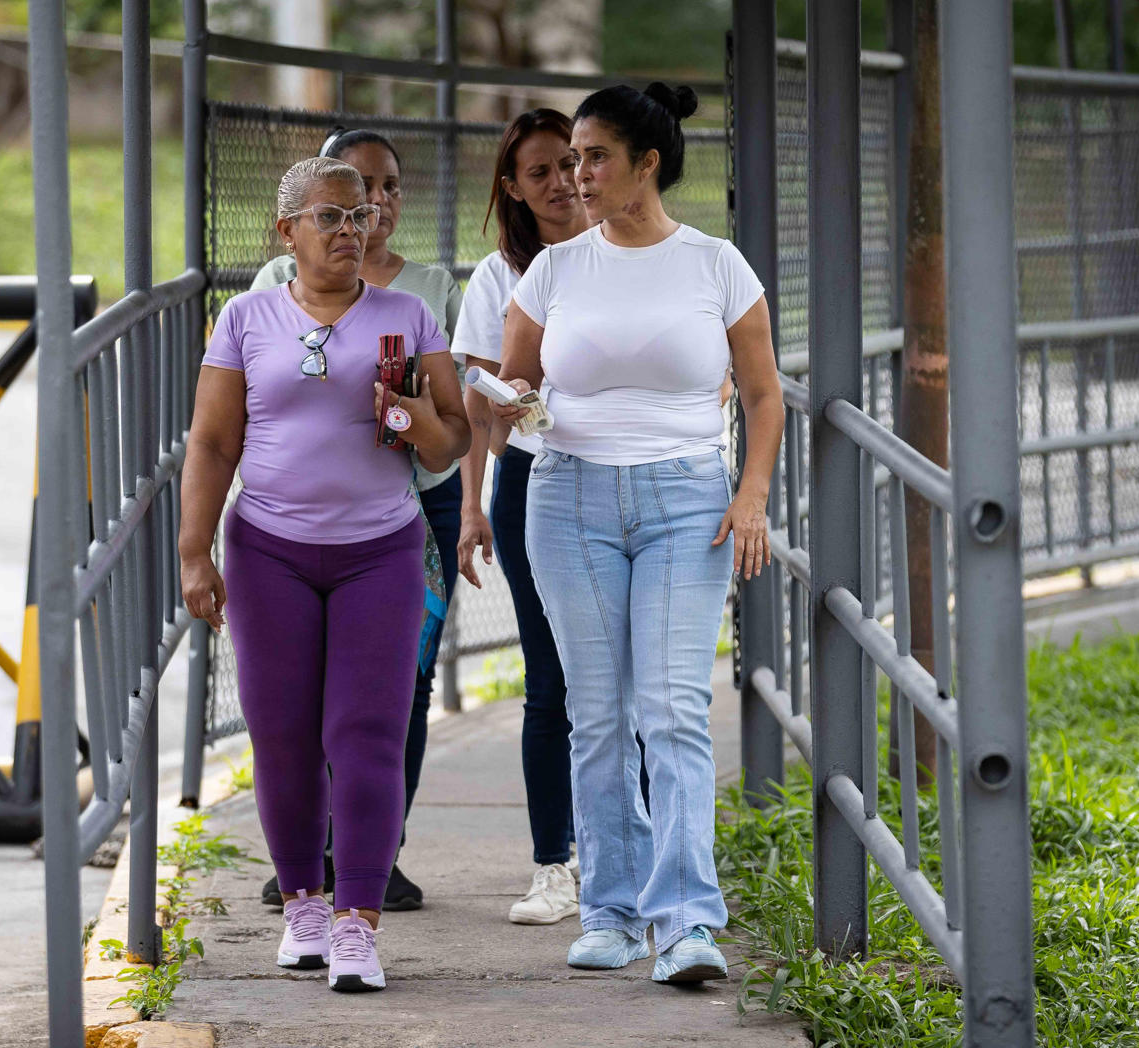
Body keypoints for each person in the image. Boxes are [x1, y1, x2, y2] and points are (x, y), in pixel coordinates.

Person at [494, 82, 783, 986]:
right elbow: (510, 386)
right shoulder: (554, 270)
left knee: (673, 711)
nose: (575, 175)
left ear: (646, 164)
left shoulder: (717, 265)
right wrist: (513, 406)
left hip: (687, 505)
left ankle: (689, 922)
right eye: (571, 159)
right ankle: (611, 913)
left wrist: (751, 498)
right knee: (598, 713)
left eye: (593, 157)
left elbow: (766, 394)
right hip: (568, 498)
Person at [179, 155, 470, 994]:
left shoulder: (408, 315)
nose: (352, 229)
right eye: (331, 217)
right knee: (282, 734)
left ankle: (357, 924)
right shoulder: (245, 318)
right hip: (268, 549)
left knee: (367, 733)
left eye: (362, 214)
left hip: (380, 549)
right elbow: (211, 442)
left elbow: (454, 439)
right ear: (288, 233)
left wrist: (420, 422)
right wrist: (195, 551)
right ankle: (303, 906)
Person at [248, 129, 462, 914]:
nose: (372, 207)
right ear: (302, 218)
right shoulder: (276, 283)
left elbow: (452, 415)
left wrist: (416, 426)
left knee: (400, 685)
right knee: (304, 688)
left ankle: (378, 849)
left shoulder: (429, 290)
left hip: (412, 500)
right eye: (352, 193)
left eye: (390, 189)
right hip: (297, 514)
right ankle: (309, 851)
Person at [452, 108, 587, 925]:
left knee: (626, 679)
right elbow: (479, 408)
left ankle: (627, 859)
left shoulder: (624, 254)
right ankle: (553, 864)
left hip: (615, 477)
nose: (563, 181)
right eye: (541, 171)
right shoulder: (497, 279)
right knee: (551, 680)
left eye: (572, 162)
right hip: (533, 480)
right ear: (512, 186)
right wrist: (471, 504)